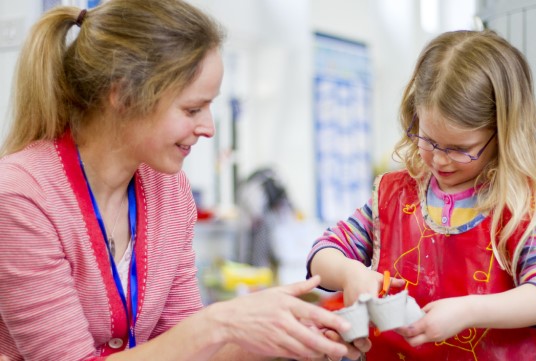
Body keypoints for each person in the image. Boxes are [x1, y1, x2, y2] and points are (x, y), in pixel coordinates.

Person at [0, 1, 369, 360]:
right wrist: (219, 322)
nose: (208, 128)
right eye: (192, 109)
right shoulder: (21, 197)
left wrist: (290, 338)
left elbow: (186, 348)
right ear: (123, 96)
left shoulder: (168, 190)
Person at [307, 30, 536, 360]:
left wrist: (470, 311)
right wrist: (350, 273)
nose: (440, 159)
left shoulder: (528, 204)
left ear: (503, 133)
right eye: (428, 140)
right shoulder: (395, 196)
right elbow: (324, 251)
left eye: (461, 149)